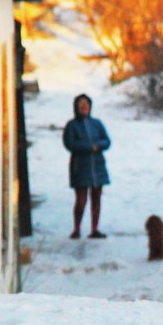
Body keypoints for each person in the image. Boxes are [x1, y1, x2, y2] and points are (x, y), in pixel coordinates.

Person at [63, 93, 111, 238]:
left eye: (86, 104)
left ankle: (94, 229)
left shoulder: (97, 123)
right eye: (81, 104)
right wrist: (89, 147)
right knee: (81, 200)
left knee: (96, 199)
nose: (84, 107)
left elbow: (107, 141)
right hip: (80, 166)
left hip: (97, 166)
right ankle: (77, 228)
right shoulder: (72, 125)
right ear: (76, 107)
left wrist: (98, 146)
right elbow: (70, 144)